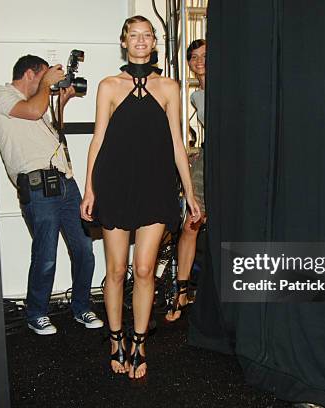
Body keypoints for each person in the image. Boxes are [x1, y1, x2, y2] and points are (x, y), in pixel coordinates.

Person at [80, 16, 201, 379]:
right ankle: (115, 338)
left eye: (146, 35)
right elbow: (98, 139)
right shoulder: (108, 86)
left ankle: (139, 341)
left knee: (145, 269)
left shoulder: (169, 86)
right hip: (115, 184)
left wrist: (190, 192)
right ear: (124, 42)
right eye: (134, 36)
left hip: (156, 186)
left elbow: (178, 144)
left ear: (153, 42)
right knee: (116, 270)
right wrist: (90, 189)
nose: (140, 41)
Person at [0, 55, 103, 335]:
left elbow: (51, 138)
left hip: (65, 182)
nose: (50, 85)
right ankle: (36, 313)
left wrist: (60, 105)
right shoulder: (1, 94)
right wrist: (46, 88)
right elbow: (30, 111)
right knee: (46, 254)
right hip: (37, 186)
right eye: (45, 78)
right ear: (30, 74)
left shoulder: (39, 104)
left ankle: (81, 307)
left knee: (84, 249)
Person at [166, 39, 207, 322]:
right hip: (207, 160)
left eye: (205, 55)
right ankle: (181, 292)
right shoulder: (196, 97)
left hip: (236, 164)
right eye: (193, 57)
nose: (199, 61)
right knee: (191, 224)